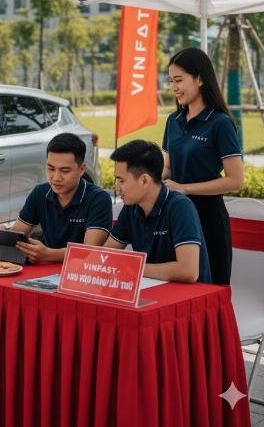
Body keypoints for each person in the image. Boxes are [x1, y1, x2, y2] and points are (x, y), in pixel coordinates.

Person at [163, 47, 243, 285]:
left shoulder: (221, 123)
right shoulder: (173, 121)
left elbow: (236, 180)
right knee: (179, 292)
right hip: (176, 217)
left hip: (209, 219)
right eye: (170, 81)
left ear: (199, 79)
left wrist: (185, 189)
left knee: (212, 290)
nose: (173, 87)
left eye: (179, 80)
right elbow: (167, 168)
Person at [104, 140, 211, 283]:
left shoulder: (180, 207)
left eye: (121, 181)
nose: (117, 188)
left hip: (188, 294)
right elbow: (106, 253)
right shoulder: (131, 207)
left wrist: (133, 267)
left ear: (144, 180)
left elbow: (188, 271)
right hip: (150, 287)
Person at [7, 133, 113, 263]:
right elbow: (17, 235)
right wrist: (4, 237)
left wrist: (48, 254)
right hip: (46, 268)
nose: (56, 177)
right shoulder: (40, 193)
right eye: (51, 169)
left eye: (65, 171)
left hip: (82, 271)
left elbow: (89, 250)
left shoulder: (99, 199)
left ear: (82, 169)